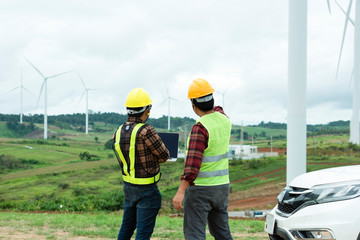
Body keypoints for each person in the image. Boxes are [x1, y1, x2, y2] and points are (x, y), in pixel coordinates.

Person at [172, 78, 233, 240]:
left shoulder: (200, 128)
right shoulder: (224, 119)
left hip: (201, 189)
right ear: (212, 100)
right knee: (222, 233)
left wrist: (180, 191)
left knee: (195, 234)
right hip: (222, 187)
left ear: (193, 105)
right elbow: (218, 109)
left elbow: (192, 165)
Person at [113, 88, 170, 240]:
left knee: (126, 229)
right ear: (147, 110)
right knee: (143, 234)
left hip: (128, 188)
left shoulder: (118, 131)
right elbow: (164, 155)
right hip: (147, 190)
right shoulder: (146, 130)